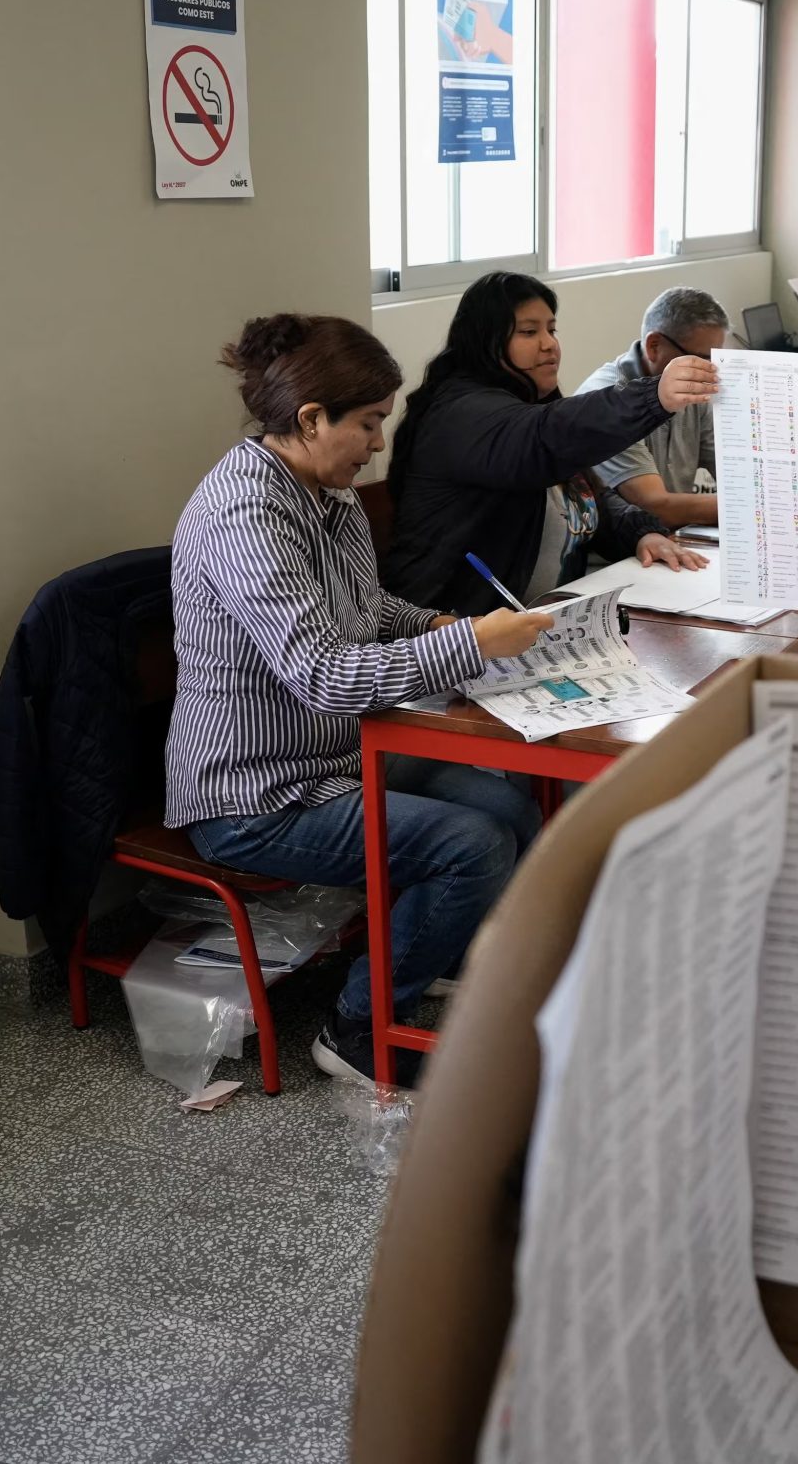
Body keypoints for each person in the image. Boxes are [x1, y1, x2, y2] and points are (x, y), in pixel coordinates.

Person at [168, 312, 557, 1087]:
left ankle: (429, 958)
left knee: (509, 808)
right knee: (472, 846)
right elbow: (323, 673)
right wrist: (473, 646)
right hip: (254, 795)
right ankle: (356, 1030)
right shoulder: (246, 513)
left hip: (332, 758)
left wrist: (447, 625)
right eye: (370, 423)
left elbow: (367, 609)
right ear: (313, 419)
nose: (379, 444)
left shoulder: (324, 490)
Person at [381, 271, 717, 615]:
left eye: (551, 330)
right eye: (529, 332)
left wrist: (640, 534)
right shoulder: (463, 414)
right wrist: (652, 397)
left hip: (545, 621)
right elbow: (545, 436)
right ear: (485, 340)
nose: (549, 344)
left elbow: (587, 500)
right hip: (451, 629)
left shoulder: (528, 405)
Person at [572, 287, 728, 528]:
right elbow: (654, 506)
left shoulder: (694, 383)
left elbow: (735, 471)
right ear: (654, 346)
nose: (711, 371)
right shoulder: (608, 402)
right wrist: (751, 507)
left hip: (669, 537)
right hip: (622, 545)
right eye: (702, 359)